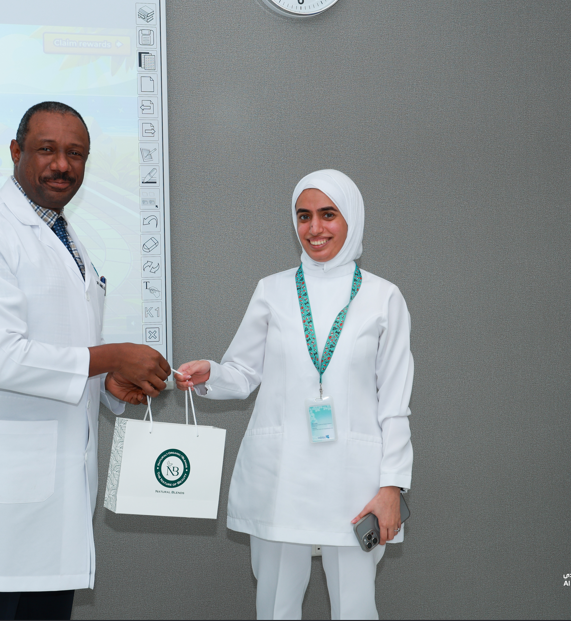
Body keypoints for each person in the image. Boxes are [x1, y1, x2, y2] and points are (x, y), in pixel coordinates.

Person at [0, 101, 170, 621]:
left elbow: (64, 341)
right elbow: (3, 359)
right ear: (16, 151)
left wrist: (107, 382)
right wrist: (114, 356)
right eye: (47, 150)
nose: (62, 165)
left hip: (53, 505)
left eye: (75, 154)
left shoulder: (64, 234)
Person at [177, 170, 413, 620]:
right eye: (304, 216)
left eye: (328, 214)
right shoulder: (273, 290)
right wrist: (211, 374)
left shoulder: (384, 298)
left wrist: (392, 485)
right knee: (275, 606)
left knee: (356, 608)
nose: (314, 228)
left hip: (354, 480)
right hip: (280, 474)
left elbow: (395, 404)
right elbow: (243, 372)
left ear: (352, 219)